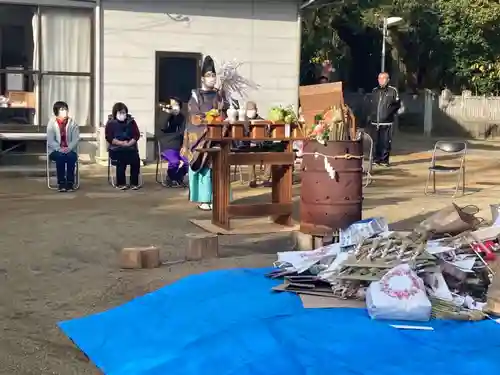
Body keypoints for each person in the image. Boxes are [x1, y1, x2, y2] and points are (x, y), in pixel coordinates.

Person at [186, 55, 226, 211]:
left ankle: (219, 198)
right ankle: (203, 199)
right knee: (203, 167)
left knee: (219, 168)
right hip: (200, 137)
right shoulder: (196, 96)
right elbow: (194, 117)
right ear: (202, 79)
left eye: (213, 75)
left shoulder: (219, 95)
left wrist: (220, 116)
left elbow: (224, 112)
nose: (212, 78)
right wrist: (209, 118)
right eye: (209, 76)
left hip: (217, 136)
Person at [105, 102, 141, 190]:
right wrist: (120, 143)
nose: (122, 114)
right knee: (121, 160)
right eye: (120, 113)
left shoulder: (131, 122)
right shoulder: (110, 123)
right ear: (115, 113)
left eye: (124, 112)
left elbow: (136, 135)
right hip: (116, 148)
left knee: (136, 160)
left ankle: (134, 183)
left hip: (130, 147)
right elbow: (109, 137)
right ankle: (121, 183)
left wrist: (129, 143)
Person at [47, 101, 80, 192]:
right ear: (56, 111)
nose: (64, 111)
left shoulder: (73, 123)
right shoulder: (51, 123)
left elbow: (75, 139)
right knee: (60, 157)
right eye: (61, 109)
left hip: (70, 149)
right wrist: (59, 149)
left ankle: (70, 183)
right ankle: (61, 183)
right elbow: (50, 140)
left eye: (65, 109)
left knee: (71, 157)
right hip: (55, 150)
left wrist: (69, 148)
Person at [369, 72, 401, 167]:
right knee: (375, 142)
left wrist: (390, 113)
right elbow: (371, 105)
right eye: (379, 78)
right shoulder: (374, 91)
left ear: (388, 80)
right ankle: (376, 159)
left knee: (386, 141)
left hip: (387, 122)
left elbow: (397, 104)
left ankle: (384, 160)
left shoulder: (392, 91)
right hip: (375, 121)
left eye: (383, 78)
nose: (381, 80)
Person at [158, 97, 188, 187]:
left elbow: (184, 131)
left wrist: (185, 145)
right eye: (172, 104)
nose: (174, 107)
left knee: (189, 161)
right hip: (168, 145)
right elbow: (163, 127)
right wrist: (168, 114)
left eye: (176, 104)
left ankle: (178, 177)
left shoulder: (182, 117)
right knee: (174, 162)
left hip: (180, 144)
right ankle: (171, 178)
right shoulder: (164, 114)